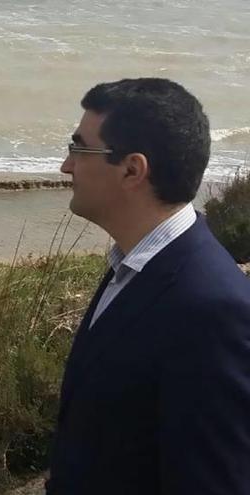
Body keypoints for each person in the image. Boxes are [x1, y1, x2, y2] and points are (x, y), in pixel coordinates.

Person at [46, 78, 250, 494]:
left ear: (132, 170)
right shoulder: (134, 264)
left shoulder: (211, 308)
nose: (66, 166)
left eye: (78, 148)